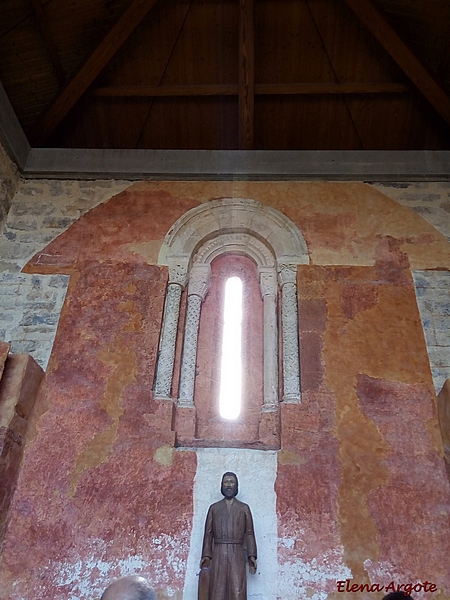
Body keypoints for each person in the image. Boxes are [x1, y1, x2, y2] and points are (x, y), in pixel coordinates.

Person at [199, 472, 257, 600]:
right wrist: (206, 556)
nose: (229, 485)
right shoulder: (214, 508)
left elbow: (249, 533)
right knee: (217, 590)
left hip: (237, 553)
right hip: (219, 552)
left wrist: (252, 556)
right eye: (226, 482)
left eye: (232, 482)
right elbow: (208, 534)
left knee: (238, 590)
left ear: (237, 486)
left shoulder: (244, 508)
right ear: (221, 485)